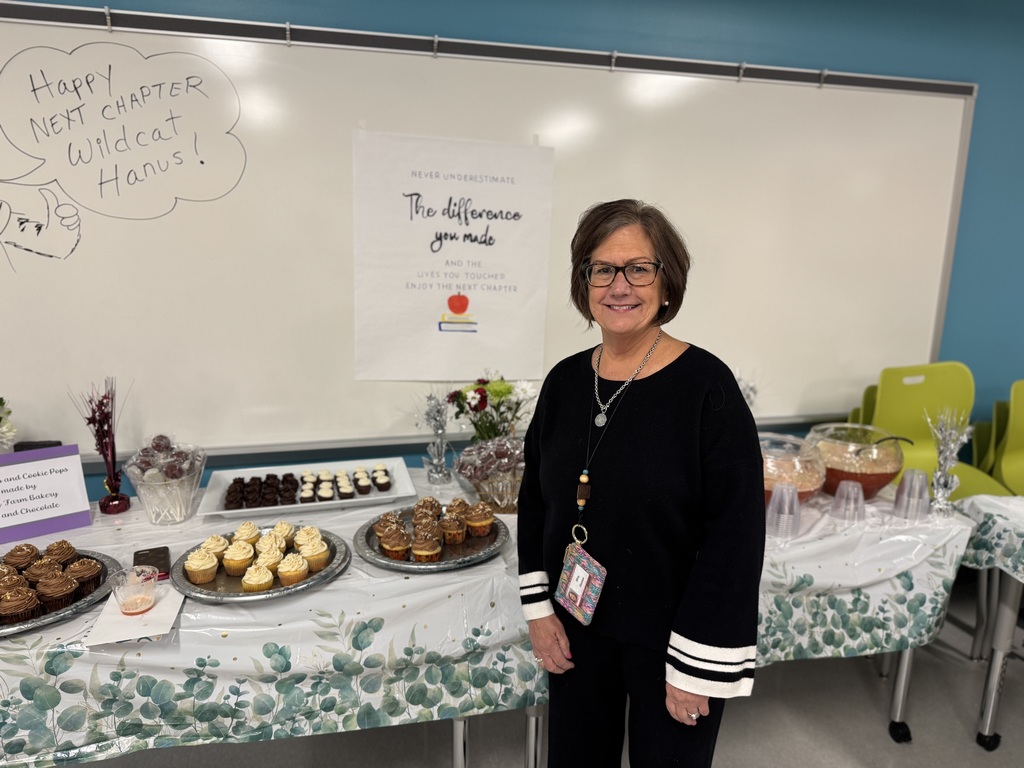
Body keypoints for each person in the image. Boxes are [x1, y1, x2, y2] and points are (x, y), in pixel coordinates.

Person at [517, 199, 765, 767]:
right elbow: (537, 501)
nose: (618, 285)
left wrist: (697, 666)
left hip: (675, 640)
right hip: (578, 624)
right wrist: (538, 608)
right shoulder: (564, 382)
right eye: (601, 268)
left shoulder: (708, 389)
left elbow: (735, 537)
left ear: (666, 279)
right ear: (585, 282)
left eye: (638, 268)